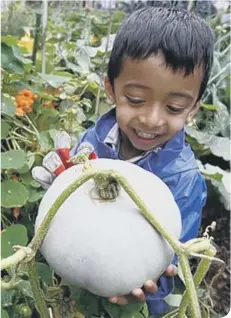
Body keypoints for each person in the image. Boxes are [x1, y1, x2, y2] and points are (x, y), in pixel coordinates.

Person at [32, 6, 215, 317]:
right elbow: (71, 191)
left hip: (131, 303)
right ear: (111, 89)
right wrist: (60, 181)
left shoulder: (183, 181)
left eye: (173, 107)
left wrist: (156, 282)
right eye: (136, 100)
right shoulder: (92, 140)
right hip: (69, 279)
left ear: (193, 108)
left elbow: (173, 259)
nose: (151, 119)